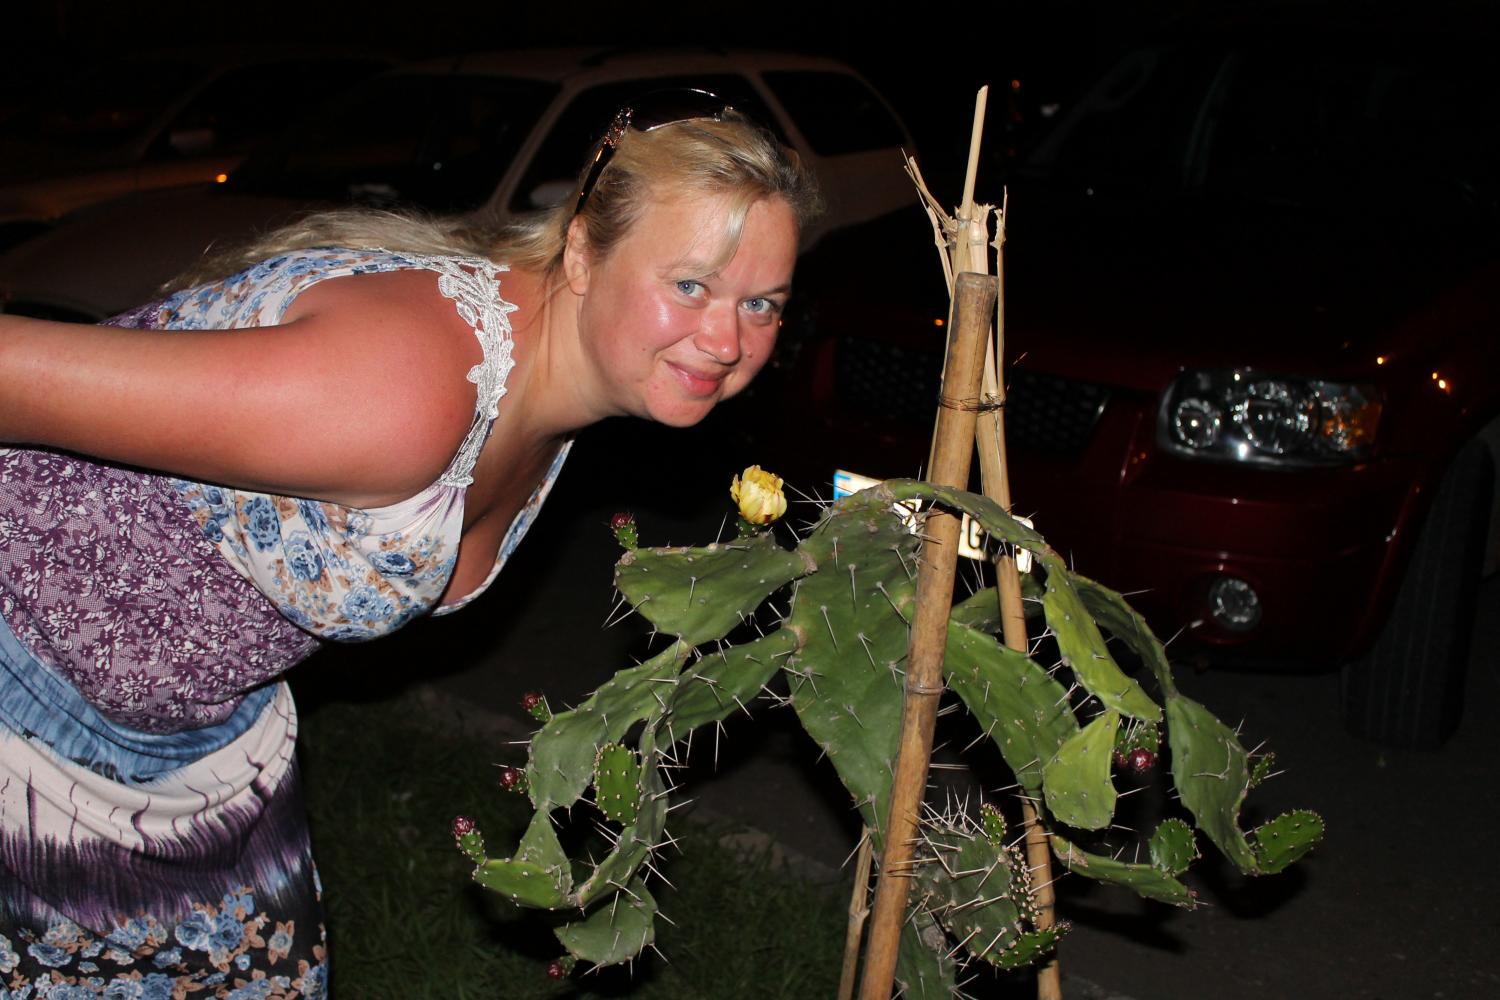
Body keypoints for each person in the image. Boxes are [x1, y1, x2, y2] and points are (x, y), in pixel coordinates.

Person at [0, 89, 820, 996]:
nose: (726, 339)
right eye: (692, 285)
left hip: (194, 741)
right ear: (585, 253)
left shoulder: (548, 385)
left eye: (762, 303)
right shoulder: (403, 386)